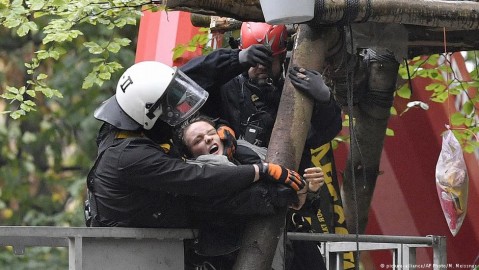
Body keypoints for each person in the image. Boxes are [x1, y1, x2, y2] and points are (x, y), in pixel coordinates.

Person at [85, 48, 307, 230]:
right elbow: (198, 178)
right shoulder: (130, 156)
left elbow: (178, 114)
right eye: (168, 107)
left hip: (159, 229)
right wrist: (261, 170)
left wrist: (218, 126)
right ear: (148, 114)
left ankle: (281, 197)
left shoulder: (131, 122)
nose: (176, 111)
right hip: (138, 250)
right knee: (212, 189)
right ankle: (276, 196)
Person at [216, 22, 343, 270]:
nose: (260, 69)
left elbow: (324, 132)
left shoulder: (294, 87)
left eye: (268, 61)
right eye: (254, 61)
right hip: (240, 206)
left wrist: (325, 100)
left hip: (293, 204)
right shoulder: (228, 87)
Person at [172, 114, 325, 269]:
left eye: (211, 133)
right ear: (188, 155)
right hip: (235, 260)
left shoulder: (248, 152)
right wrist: (297, 191)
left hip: (288, 251)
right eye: (197, 140)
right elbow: (257, 199)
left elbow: (296, 206)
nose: (208, 139)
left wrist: (310, 189)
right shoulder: (197, 180)